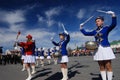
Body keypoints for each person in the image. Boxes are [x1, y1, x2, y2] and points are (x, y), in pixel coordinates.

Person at [80, 11, 117, 80]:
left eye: (98, 21)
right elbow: (86, 33)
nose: (97, 22)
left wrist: (113, 15)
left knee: (108, 66)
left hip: (105, 48)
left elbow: (113, 24)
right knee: (101, 66)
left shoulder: (106, 28)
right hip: (98, 49)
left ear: (102, 22)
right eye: (96, 21)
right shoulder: (94, 31)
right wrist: (81, 28)